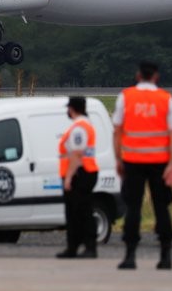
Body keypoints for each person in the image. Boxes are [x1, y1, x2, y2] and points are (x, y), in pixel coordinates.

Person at [113, 61, 172, 270]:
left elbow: (117, 131)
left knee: (133, 208)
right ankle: (166, 256)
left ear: (138, 75)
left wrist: (118, 159)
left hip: (133, 161)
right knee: (162, 208)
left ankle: (130, 256)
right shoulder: (165, 99)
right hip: (159, 163)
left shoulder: (126, 97)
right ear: (156, 76)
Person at [56, 96, 100, 259]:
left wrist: (68, 178)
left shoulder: (79, 128)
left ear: (72, 109)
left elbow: (77, 154)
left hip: (81, 173)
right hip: (84, 172)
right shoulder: (85, 125)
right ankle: (73, 247)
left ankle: (88, 247)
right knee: (76, 212)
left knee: (81, 212)